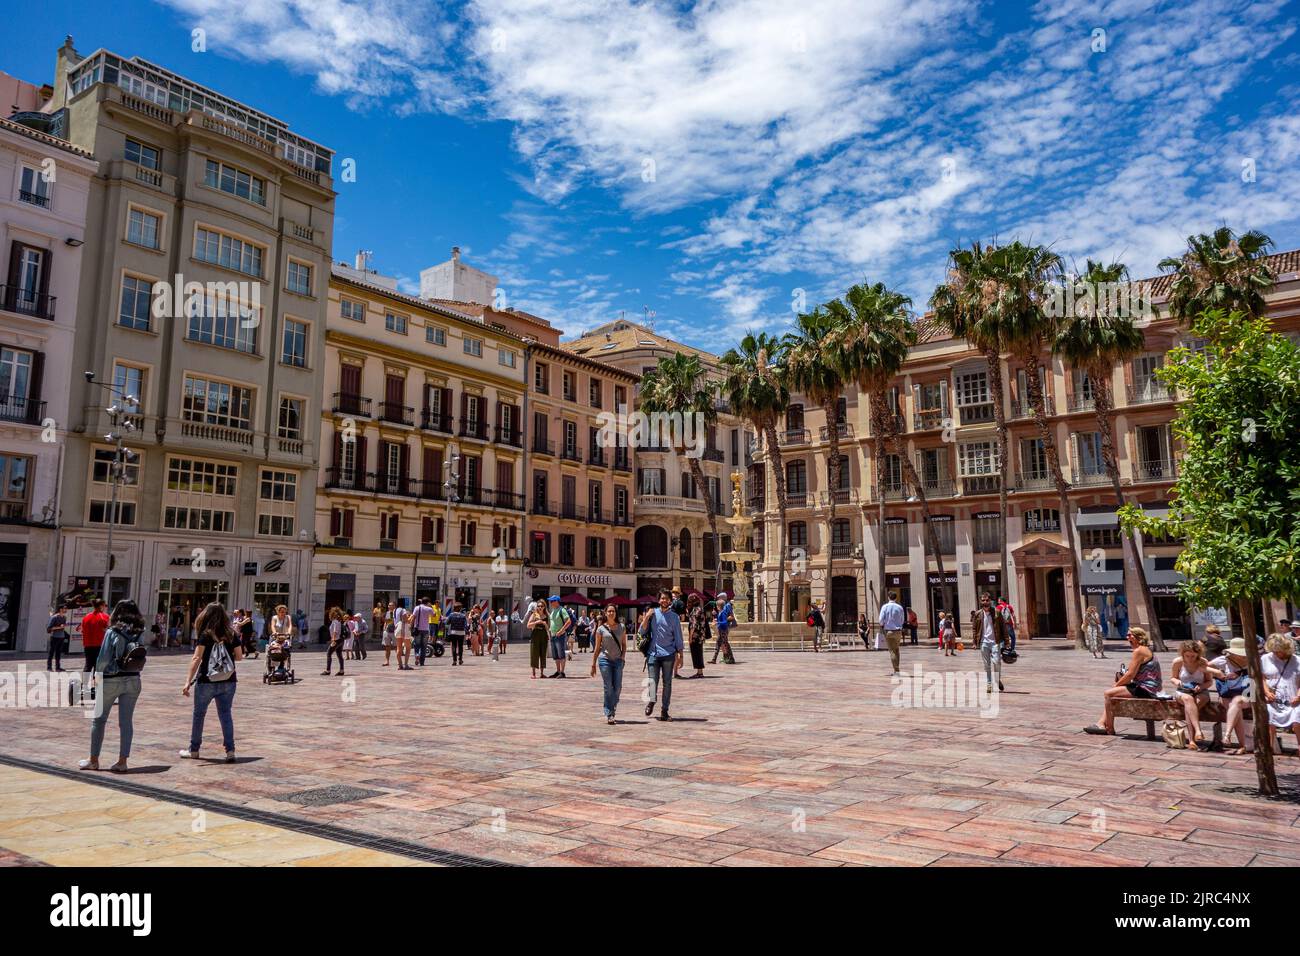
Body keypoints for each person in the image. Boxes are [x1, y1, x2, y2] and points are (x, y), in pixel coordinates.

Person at [78, 600, 146, 773]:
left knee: (99, 720)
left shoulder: (112, 631)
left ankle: (93, 760)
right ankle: (122, 761)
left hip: (111, 679)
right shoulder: (140, 632)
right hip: (133, 679)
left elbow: (103, 659)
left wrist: (97, 677)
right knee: (126, 722)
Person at [180, 601, 243, 762]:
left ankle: (194, 750)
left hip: (206, 680)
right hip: (229, 680)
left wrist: (187, 681)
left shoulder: (206, 635)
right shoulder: (231, 634)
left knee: (199, 715)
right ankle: (230, 751)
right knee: (225, 714)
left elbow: (196, 658)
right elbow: (239, 657)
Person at [1084, 626, 1160, 735]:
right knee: (1113, 694)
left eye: (1130, 635)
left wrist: (1116, 685)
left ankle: (1109, 728)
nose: (1127, 637)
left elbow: (1130, 675)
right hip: (1149, 687)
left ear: (1138, 637)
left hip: (1146, 689)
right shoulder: (1144, 650)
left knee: (1108, 694)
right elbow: (1133, 673)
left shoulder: (1139, 651)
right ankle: (1101, 723)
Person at [640, 589, 683, 720]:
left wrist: (681, 654)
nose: (664, 600)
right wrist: (647, 616)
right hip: (653, 653)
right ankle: (652, 701)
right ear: (658, 600)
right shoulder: (653, 614)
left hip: (669, 654)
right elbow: (642, 631)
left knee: (667, 683)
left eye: (666, 598)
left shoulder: (674, 617)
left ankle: (665, 710)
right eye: (662, 598)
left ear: (670, 601)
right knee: (652, 681)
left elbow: (678, 636)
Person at [1209, 637, 1253, 754]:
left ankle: (1227, 734)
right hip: (1228, 693)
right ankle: (1242, 746)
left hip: (1247, 692)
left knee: (1236, 702)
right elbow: (1203, 666)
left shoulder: (1252, 660)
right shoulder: (1224, 660)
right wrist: (1218, 673)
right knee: (1235, 709)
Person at [1169, 639, 1213, 750]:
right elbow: (1173, 678)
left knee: (1191, 707)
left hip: (1200, 691)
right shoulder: (1177, 662)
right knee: (1188, 700)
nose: (1190, 659)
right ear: (1182, 654)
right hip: (1183, 691)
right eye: (1187, 656)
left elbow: (1209, 681)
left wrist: (1201, 687)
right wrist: (1179, 682)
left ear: (1198, 654)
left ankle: (1192, 740)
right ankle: (1198, 731)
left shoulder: (1203, 662)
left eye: (1193, 656)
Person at [1262, 633, 1300, 756]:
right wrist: (1266, 692)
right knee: (1269, 718)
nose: (1278, 654)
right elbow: (1259, 678)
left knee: (1298, 718)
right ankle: (1270, 747)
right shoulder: (1265, 659)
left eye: (1280, 651)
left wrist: (1299, 696)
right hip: (1273, 699)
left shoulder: (1297, 660)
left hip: (1294, 698)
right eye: (1274, 651)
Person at [591, 604, 627, 724]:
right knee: (608, 687)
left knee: (617, 687)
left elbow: (624, 644)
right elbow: (597, 648)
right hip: (604, 660)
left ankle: (613, 704)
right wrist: (593, 664)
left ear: (616, 613)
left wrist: (622, 657)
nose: (611, 613)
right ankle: (609, 713)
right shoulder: (600, 629)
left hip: (617, 660)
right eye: (609, 611)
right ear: (605, 613)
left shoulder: (621, 627)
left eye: (613, 611)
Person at [971, 592, 1008, 694]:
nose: (985, 602)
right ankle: (989, 684)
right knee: (987, 665)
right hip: (983, 642)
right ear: (980, 601)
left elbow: (1003, 628)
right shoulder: (978, 614)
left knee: (997, 662)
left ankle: (997, 679)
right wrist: (974, 642)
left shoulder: (997, 612)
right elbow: (974, 629)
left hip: (995, 642)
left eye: (987, 600)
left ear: (990, 601)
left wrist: (1007, 642)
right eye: (983, 600)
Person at [79, 599, 110, 692]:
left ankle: (84, 686)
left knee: (88, 665)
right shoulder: (104, 617)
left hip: (88, 644)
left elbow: (82, 630)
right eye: (104, 606)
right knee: (99, 667)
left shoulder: (86, 617)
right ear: (101, 606)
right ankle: (97, 687)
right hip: (100, 645)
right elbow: (108, 629)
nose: (105, 608)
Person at [878, 592, 905, 677]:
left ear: (888, 597)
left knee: (892, 651)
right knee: (896, 649)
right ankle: (897, 669)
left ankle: (896, 671)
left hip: (889, 631)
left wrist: (883, 625)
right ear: (896, 598)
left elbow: (881, 620)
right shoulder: (899, 607)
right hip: (898, 631)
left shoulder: (885, 607)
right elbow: (902, 619)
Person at [547, 596, 572, 677]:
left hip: (560, 636)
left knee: (561, 654)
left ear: (557, 601)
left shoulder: (562, 610)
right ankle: (558, 671)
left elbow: (568, 621)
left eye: (552, 601)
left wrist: (561, 631)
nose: (550, 603)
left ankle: (562, 672)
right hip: (553, 635)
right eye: (550, 601)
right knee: (556, 655)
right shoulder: (553, 611)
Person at [686, 592, 708, 678]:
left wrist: (690, 637)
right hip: (701, 635)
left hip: (695, 636)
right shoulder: (700, 608)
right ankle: (700, 671)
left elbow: (693, 625)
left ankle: (699, 672)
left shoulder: (695, 610)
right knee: (699, 652)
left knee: (696, 653)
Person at [527, 599, 549, 678]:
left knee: (543, 653)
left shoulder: (546, 616)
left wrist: (545, 624)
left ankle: (542, 673)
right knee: (534, 653)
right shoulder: (534, 615)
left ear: (544, 607)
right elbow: (528, 625)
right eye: (538, 606)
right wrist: (536, 622)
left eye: (541, 606)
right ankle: (533, 673)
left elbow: (548, 628)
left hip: (543, 635)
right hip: (535, 635)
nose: (540, 607)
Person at [322, 607, 347, 676]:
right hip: (341, 640)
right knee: (339, 655)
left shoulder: (335, 621)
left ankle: (328, 670)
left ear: (332, 614)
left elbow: (335, 631)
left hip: (336, 640)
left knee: (328, 653)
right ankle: (341, 670)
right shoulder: (338, 621)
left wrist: (333, 639)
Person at [411, 596, 433, 666]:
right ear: (427, 602)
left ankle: (417, 654)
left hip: (417, 629)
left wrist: (411, 626)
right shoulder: (429, 609)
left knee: (417, 645)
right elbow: (434, 615)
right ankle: (422, 662)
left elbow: (413, 617)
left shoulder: (417, 608)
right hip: (425, 630)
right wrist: (430, 606)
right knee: (424, 646)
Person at [46, 604, 69, 672]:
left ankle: (58, 667)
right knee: (51, 652)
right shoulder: (54, 617)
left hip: (61, 637)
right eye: (65, 608)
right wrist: (59, 627)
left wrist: (64, 626)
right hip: (54, 637)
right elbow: (49, 628)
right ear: (61, 609)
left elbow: (63, 627)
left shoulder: (64, 617)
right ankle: (49, 667)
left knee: (59, 653)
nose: (66, 610)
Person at [394, 600, 412, 669]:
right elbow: (405, 619)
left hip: (397, 628)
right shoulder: (403, 610)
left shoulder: (395, 610)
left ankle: (400, 665)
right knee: (408, 647)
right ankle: (406, 665)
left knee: (399, 647)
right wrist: (410, 617)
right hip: (403, 628)